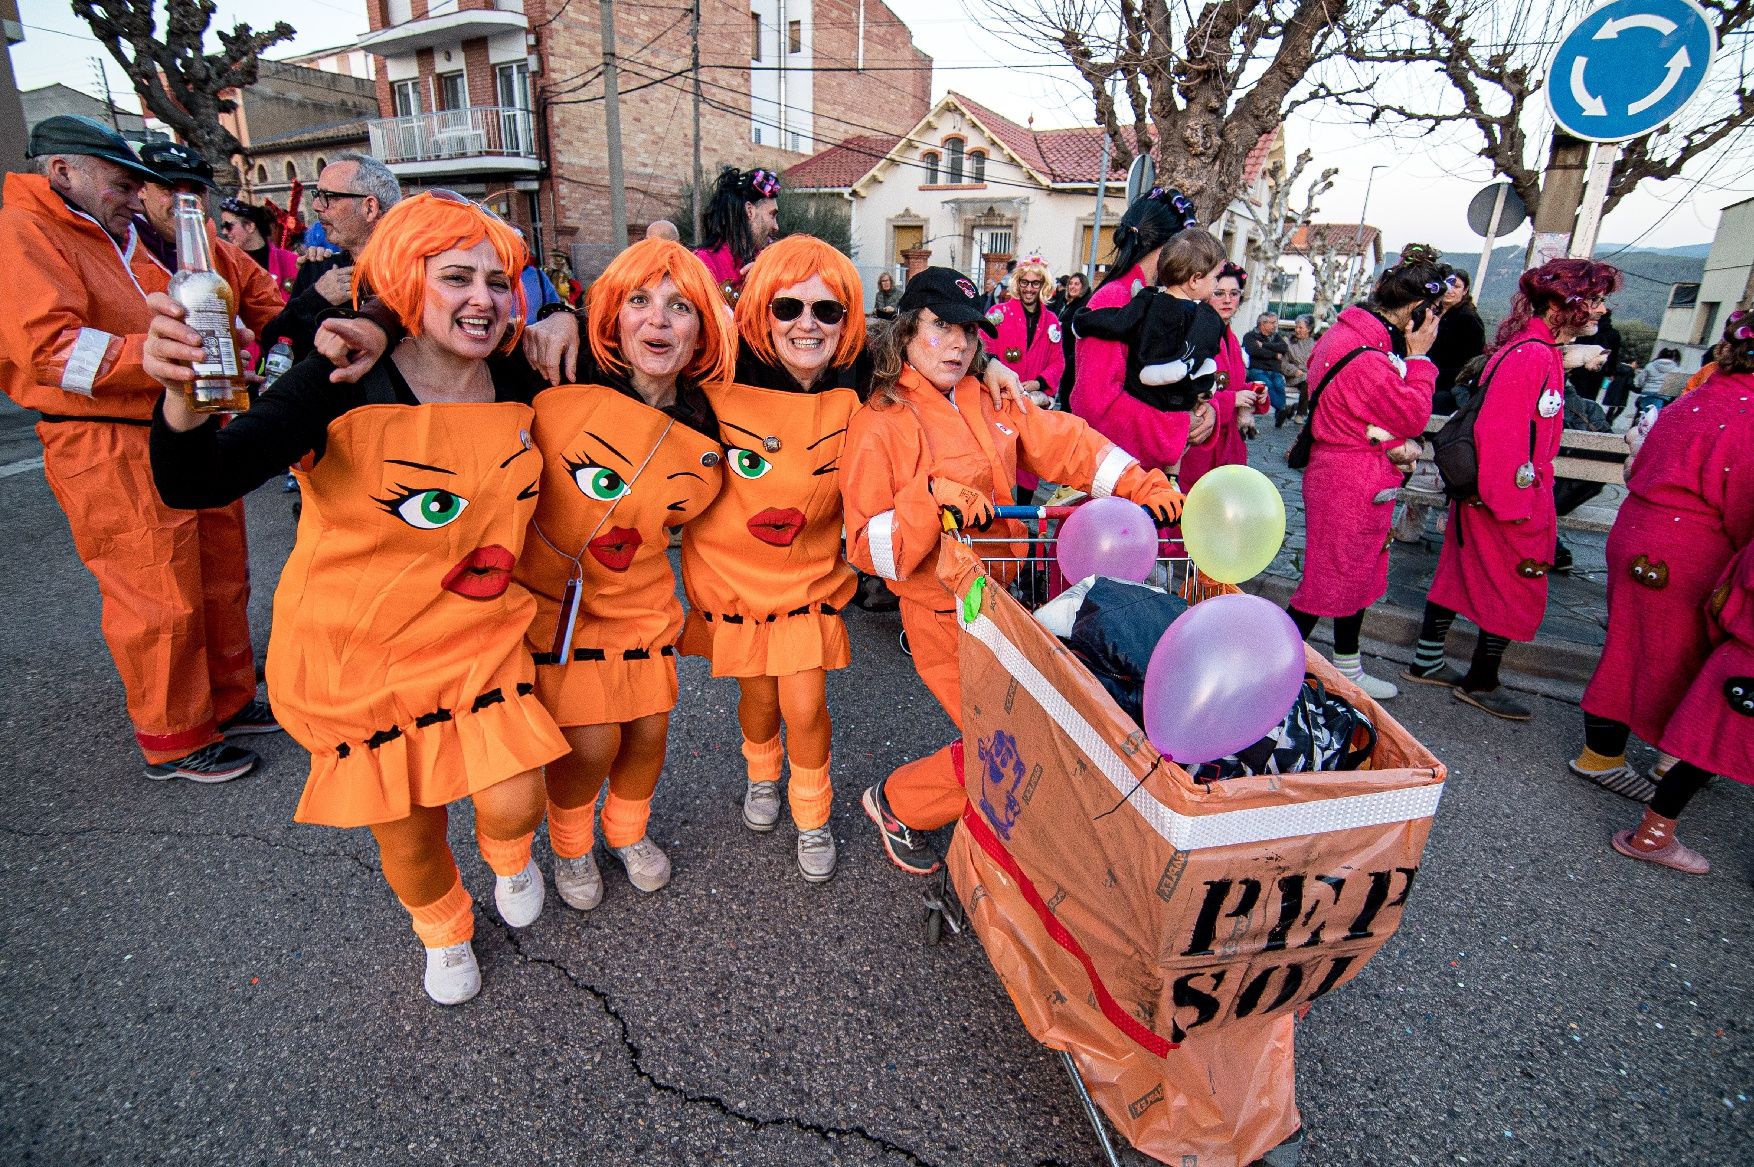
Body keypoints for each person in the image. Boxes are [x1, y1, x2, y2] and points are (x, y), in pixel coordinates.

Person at [145, 190, 569, 1005]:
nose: (481, 299)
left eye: (498, 280)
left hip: (479, 629)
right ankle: (443, 923)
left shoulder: (520, 370)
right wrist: (180, 402)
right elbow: (197, 479)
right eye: (455, 278)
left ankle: (509, 854)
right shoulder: (340, 377)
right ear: (407, 283)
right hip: (361, 647)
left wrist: (571, 324)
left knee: (517, 794)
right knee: (409, 830)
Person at [840, 267, 1186, 875]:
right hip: (943, 612)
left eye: (969, 331)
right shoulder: (880, 420)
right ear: (906, 333)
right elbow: (871, 551)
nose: (958, 343)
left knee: (1028, 727)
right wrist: (931, 498)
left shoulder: (987, 395)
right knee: (1010, 737)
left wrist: (1140, 483)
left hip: (1006, 596)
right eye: (940, 326)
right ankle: (899, 803)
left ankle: (991, 823)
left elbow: (1066, 443)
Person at [0, 115, 278, 783]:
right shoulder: (22, 231)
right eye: (122, 184)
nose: (133, 197)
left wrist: (221, 344)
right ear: (62, 171)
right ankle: (175, 735)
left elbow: (181, 305)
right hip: (107, 440)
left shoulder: (112, 234)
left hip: (180, 423)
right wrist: (156, 357)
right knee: (156, 590)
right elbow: (49, 351)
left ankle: (227, 700)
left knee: (218, 570)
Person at [522, 238, 731, 906]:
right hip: (565, 610)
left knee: (647, 734)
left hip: (643, 599)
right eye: (639, 301)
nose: (658, 321)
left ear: (702, 326)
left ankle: (627, 827)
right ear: (611, 315)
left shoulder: (709, 410)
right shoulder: (562, 374)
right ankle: (571, 843)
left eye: (679, 306)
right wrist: (556, 311)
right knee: (588, 742)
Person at [678, 236, 867, 882]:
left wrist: (992, 371)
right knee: (758, 701)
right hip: (737, 587)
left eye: (825, 309)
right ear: (761, 310)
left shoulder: (862, 386)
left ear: (848, 321)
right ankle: (762, 772)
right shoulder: (716, 384)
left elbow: (929, 378)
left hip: (810, 583)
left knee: (806, 703)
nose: (806, 324)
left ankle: (812, 810)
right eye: (788, 307)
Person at [1407, 257, 1622, 719]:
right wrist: (1515, 504)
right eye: (1597, 301)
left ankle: (1427, 660)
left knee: (1459, 573)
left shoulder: (1529, 349)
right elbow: (1501, 434)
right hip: (1506, 495)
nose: (1602, 311)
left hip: (1491, 491)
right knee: (1515, 584)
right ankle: (1481, 681)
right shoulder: (1533, 355)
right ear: (1567, 304)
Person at [1570, 309, 1754, 805]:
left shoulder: (1695, 399)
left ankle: (1649, 753)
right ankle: (1628, 756)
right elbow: (1744, 506)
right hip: (1690, 545)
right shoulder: (1749, 415)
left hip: (1639, 527)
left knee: (1635, 645)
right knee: (1673, 654)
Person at [1286, 245, 1448, 699]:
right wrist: (1418, 360)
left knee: (1348, 576)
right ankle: (1274, 659)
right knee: (1328, 579)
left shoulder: (1347, 337)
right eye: (1432, 314)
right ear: (1416, 311)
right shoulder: (1370, 358)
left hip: (1345, 472)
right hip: (1352, 480)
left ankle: (1346, 666)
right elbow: (1413, 414)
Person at [1610, 539, 1753, 875]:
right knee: (1702, 760)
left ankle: (1650, 837)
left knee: (1698, 760)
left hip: (1737, 660)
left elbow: (1721, 599)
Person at [1071, 187, 1214, 476]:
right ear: (1169, 250)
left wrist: (1206, 412)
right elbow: (1094, 405)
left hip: (1143, 475)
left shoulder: (1160, 300)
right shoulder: (1115, 299)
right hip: (1116, 484)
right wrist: (1177, 428)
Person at [262, 153, 402, 359]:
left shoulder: (413, 273)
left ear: (370, 208)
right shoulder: (318, 271)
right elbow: (274, 345)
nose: (316, 206)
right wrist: (316, 299)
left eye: (329, 196)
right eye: (317, 195)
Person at [1178, 260, 1264, 489]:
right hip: (1200, 447)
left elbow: (1230, 382)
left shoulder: (1231, 338)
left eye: (1234, 293)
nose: (1227, 300)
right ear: (1207, 295)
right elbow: (1185, 390)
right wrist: (1231, 400)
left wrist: (1252, 394)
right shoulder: (1196, 334)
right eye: (1219, 293)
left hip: (1228, 447)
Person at [987, 253, 1065, 501]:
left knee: (1031, 457)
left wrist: (1039, 383)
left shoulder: (1052, 321)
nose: (1029, 289)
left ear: (1043, 286)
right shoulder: (998, 314)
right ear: (1017, 283)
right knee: (997, 454)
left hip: (1032, 402)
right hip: (1002, 398)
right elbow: (984, 350)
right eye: (1025, 282)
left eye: (1035, 283)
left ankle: (1025, 514)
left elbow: (1058, 361)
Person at [694, 165, 780, 303]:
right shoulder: (703, 264)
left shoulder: (765, 263)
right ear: (749, 211)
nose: (776, 226)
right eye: (772, 215)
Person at [218, 197, 299, 300]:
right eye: (222, 226)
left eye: (228, 225)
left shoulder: (290, 261)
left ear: (250, 226)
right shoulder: (227, 266)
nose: (224, 232)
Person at [1428, 270, 1485, 414]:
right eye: (1447, 284)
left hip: (1446, 388)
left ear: (1465, 290)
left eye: (1456, 286)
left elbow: (1471, 362)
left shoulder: (1468, 318)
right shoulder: (1432, 313)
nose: (1450, 290)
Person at [1242, 311, 1295, 427]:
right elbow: (1254, 351)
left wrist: (1265, 345)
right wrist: (1274, 355)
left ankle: (1281, 411)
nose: (1274, 325)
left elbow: (1284, 348)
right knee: (1268, 386)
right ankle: (1282, 409)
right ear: (1263, 324)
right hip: (1257, 369)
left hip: (1274, 370)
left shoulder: (1275, 337)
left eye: (1275, 322)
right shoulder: (1250, 336)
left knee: (1279, 385)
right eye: (1272, 323)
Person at [1056, 270, 1090, 406]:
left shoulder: (1084, 303)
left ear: (1083, 286)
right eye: (1071, 283)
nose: (1072, 287)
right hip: (1065, 354)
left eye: (1077, 284)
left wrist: (1060, 325)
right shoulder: (1068, 302)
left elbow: (1079, 324)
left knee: (1068, 394)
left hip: (1074, 356)